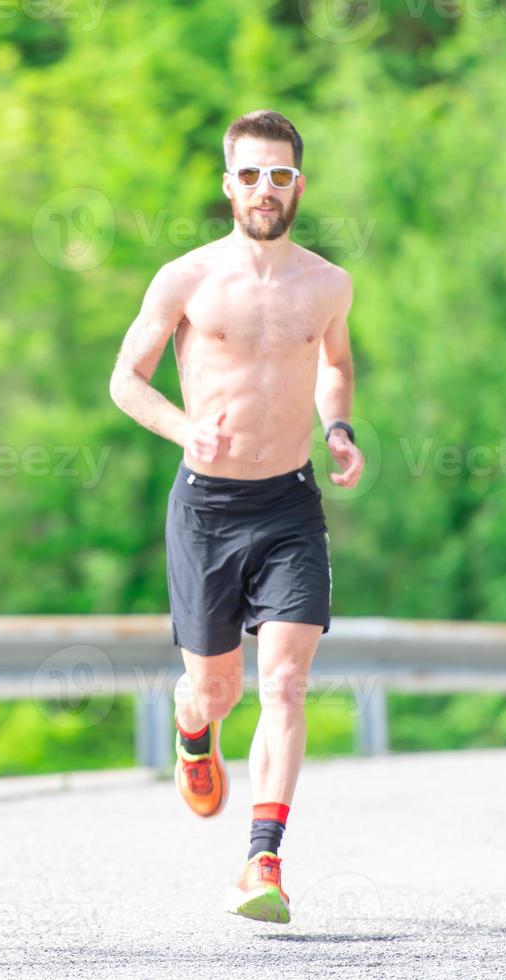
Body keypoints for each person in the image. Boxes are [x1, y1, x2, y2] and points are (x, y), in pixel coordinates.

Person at [109, 110, 364, 924]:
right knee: (214, 691)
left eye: (280, 175)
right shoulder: (185, 278)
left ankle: (263, 862)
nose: (265, 188)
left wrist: (340, 430)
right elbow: (126, 380)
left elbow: (335, 365)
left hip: (288, 502)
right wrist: (186, 428)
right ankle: (194, 729)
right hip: (207, 510)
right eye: (250, 174)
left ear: (298, 184)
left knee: (285, 683)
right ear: (229, 185)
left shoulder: (327, 284)